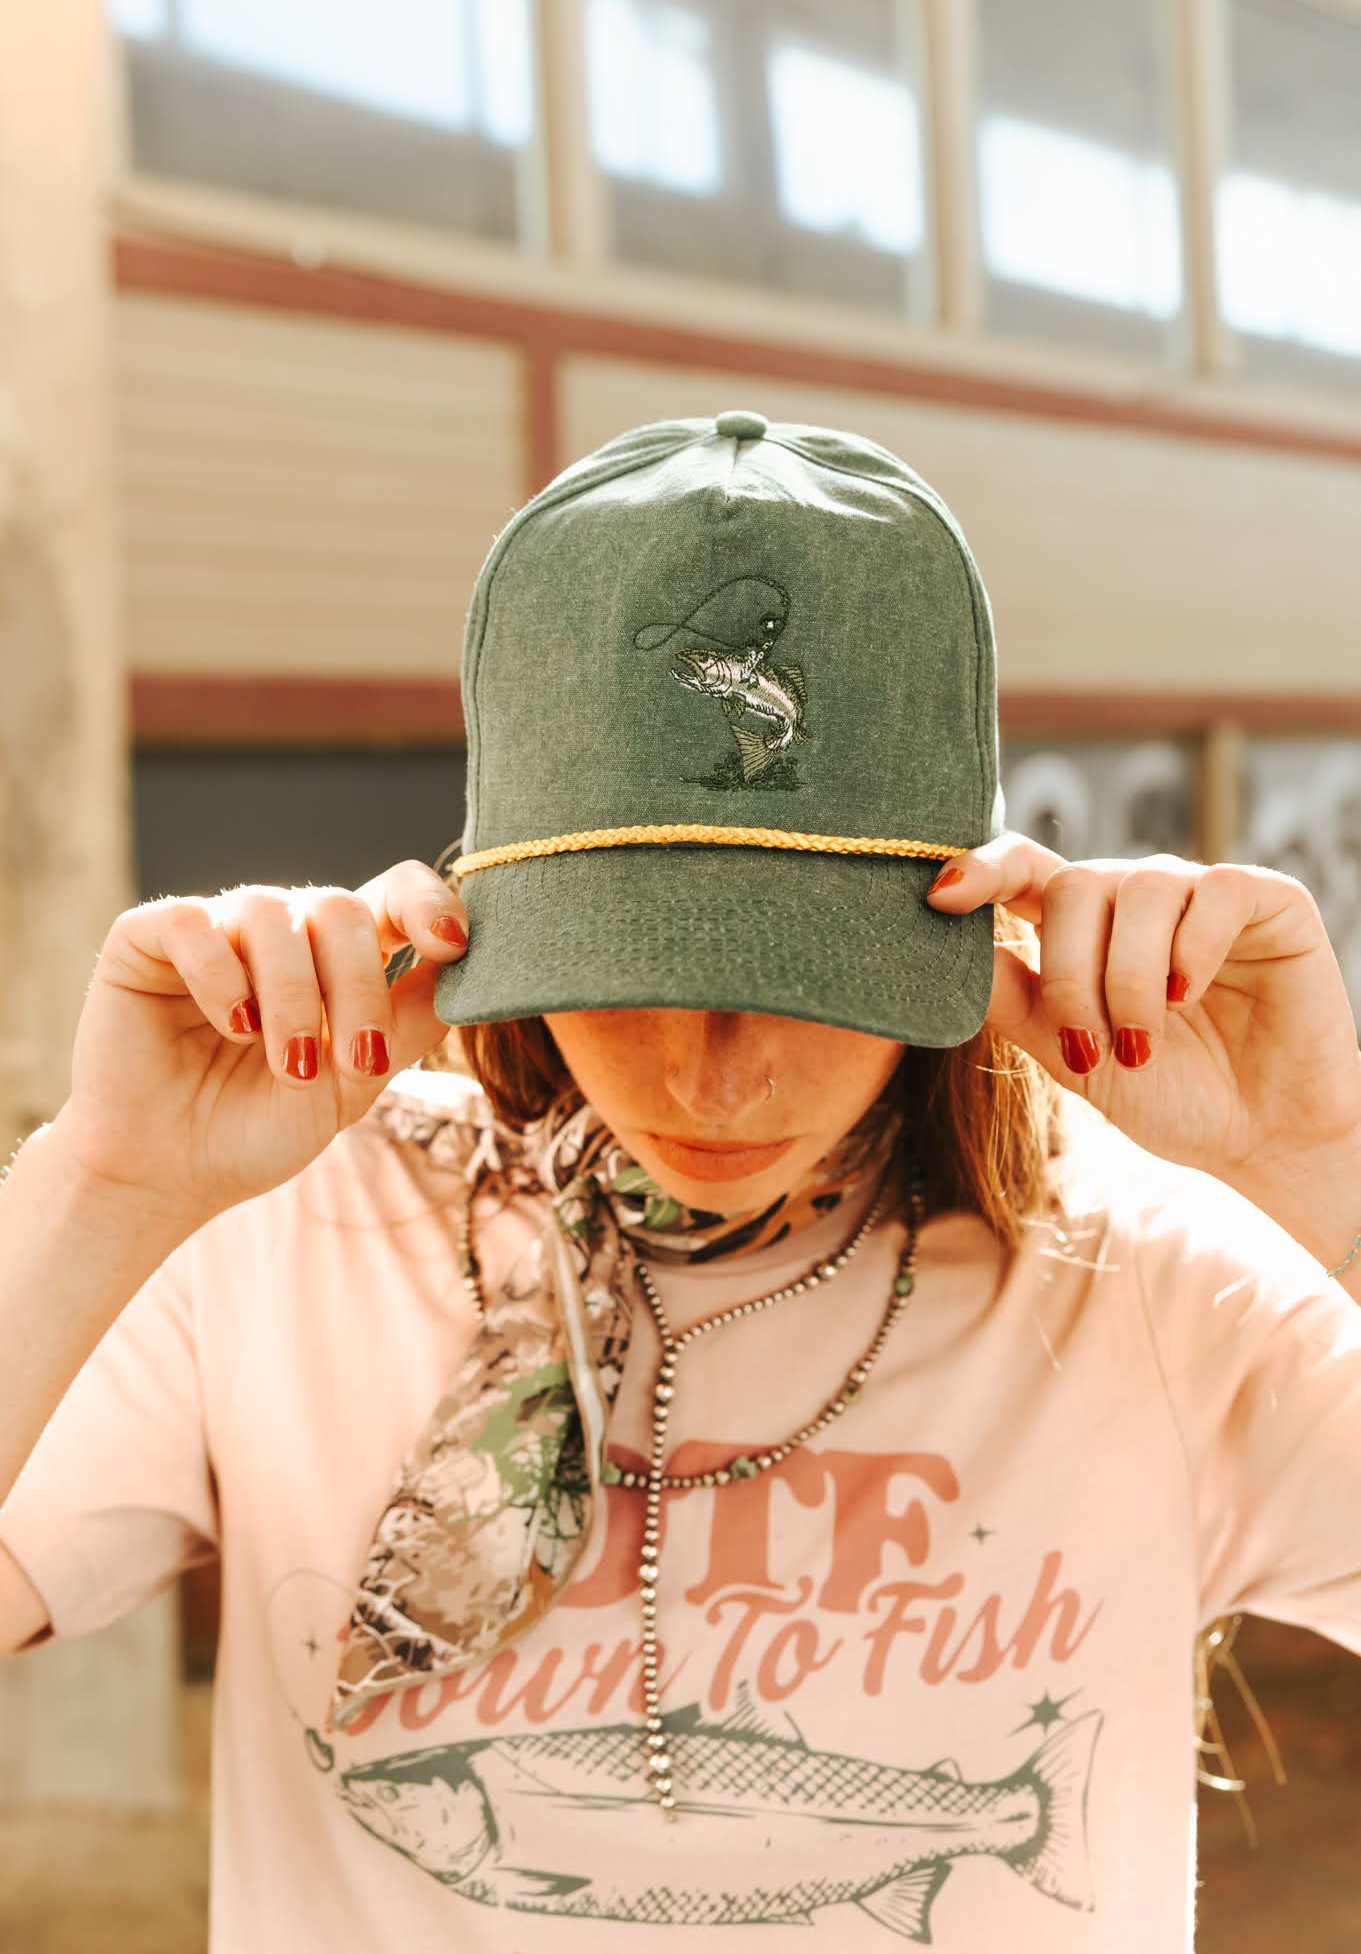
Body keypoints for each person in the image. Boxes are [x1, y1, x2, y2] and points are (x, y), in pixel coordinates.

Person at [2, 409, 1360, 1954]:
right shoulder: (276, 1239)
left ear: (966, 914)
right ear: (486, 920)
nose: (711, 1075)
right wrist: (107, 1183)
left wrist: (1321, 1164)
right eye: (632, 966)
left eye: (798, 973)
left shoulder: (1161, 1278)